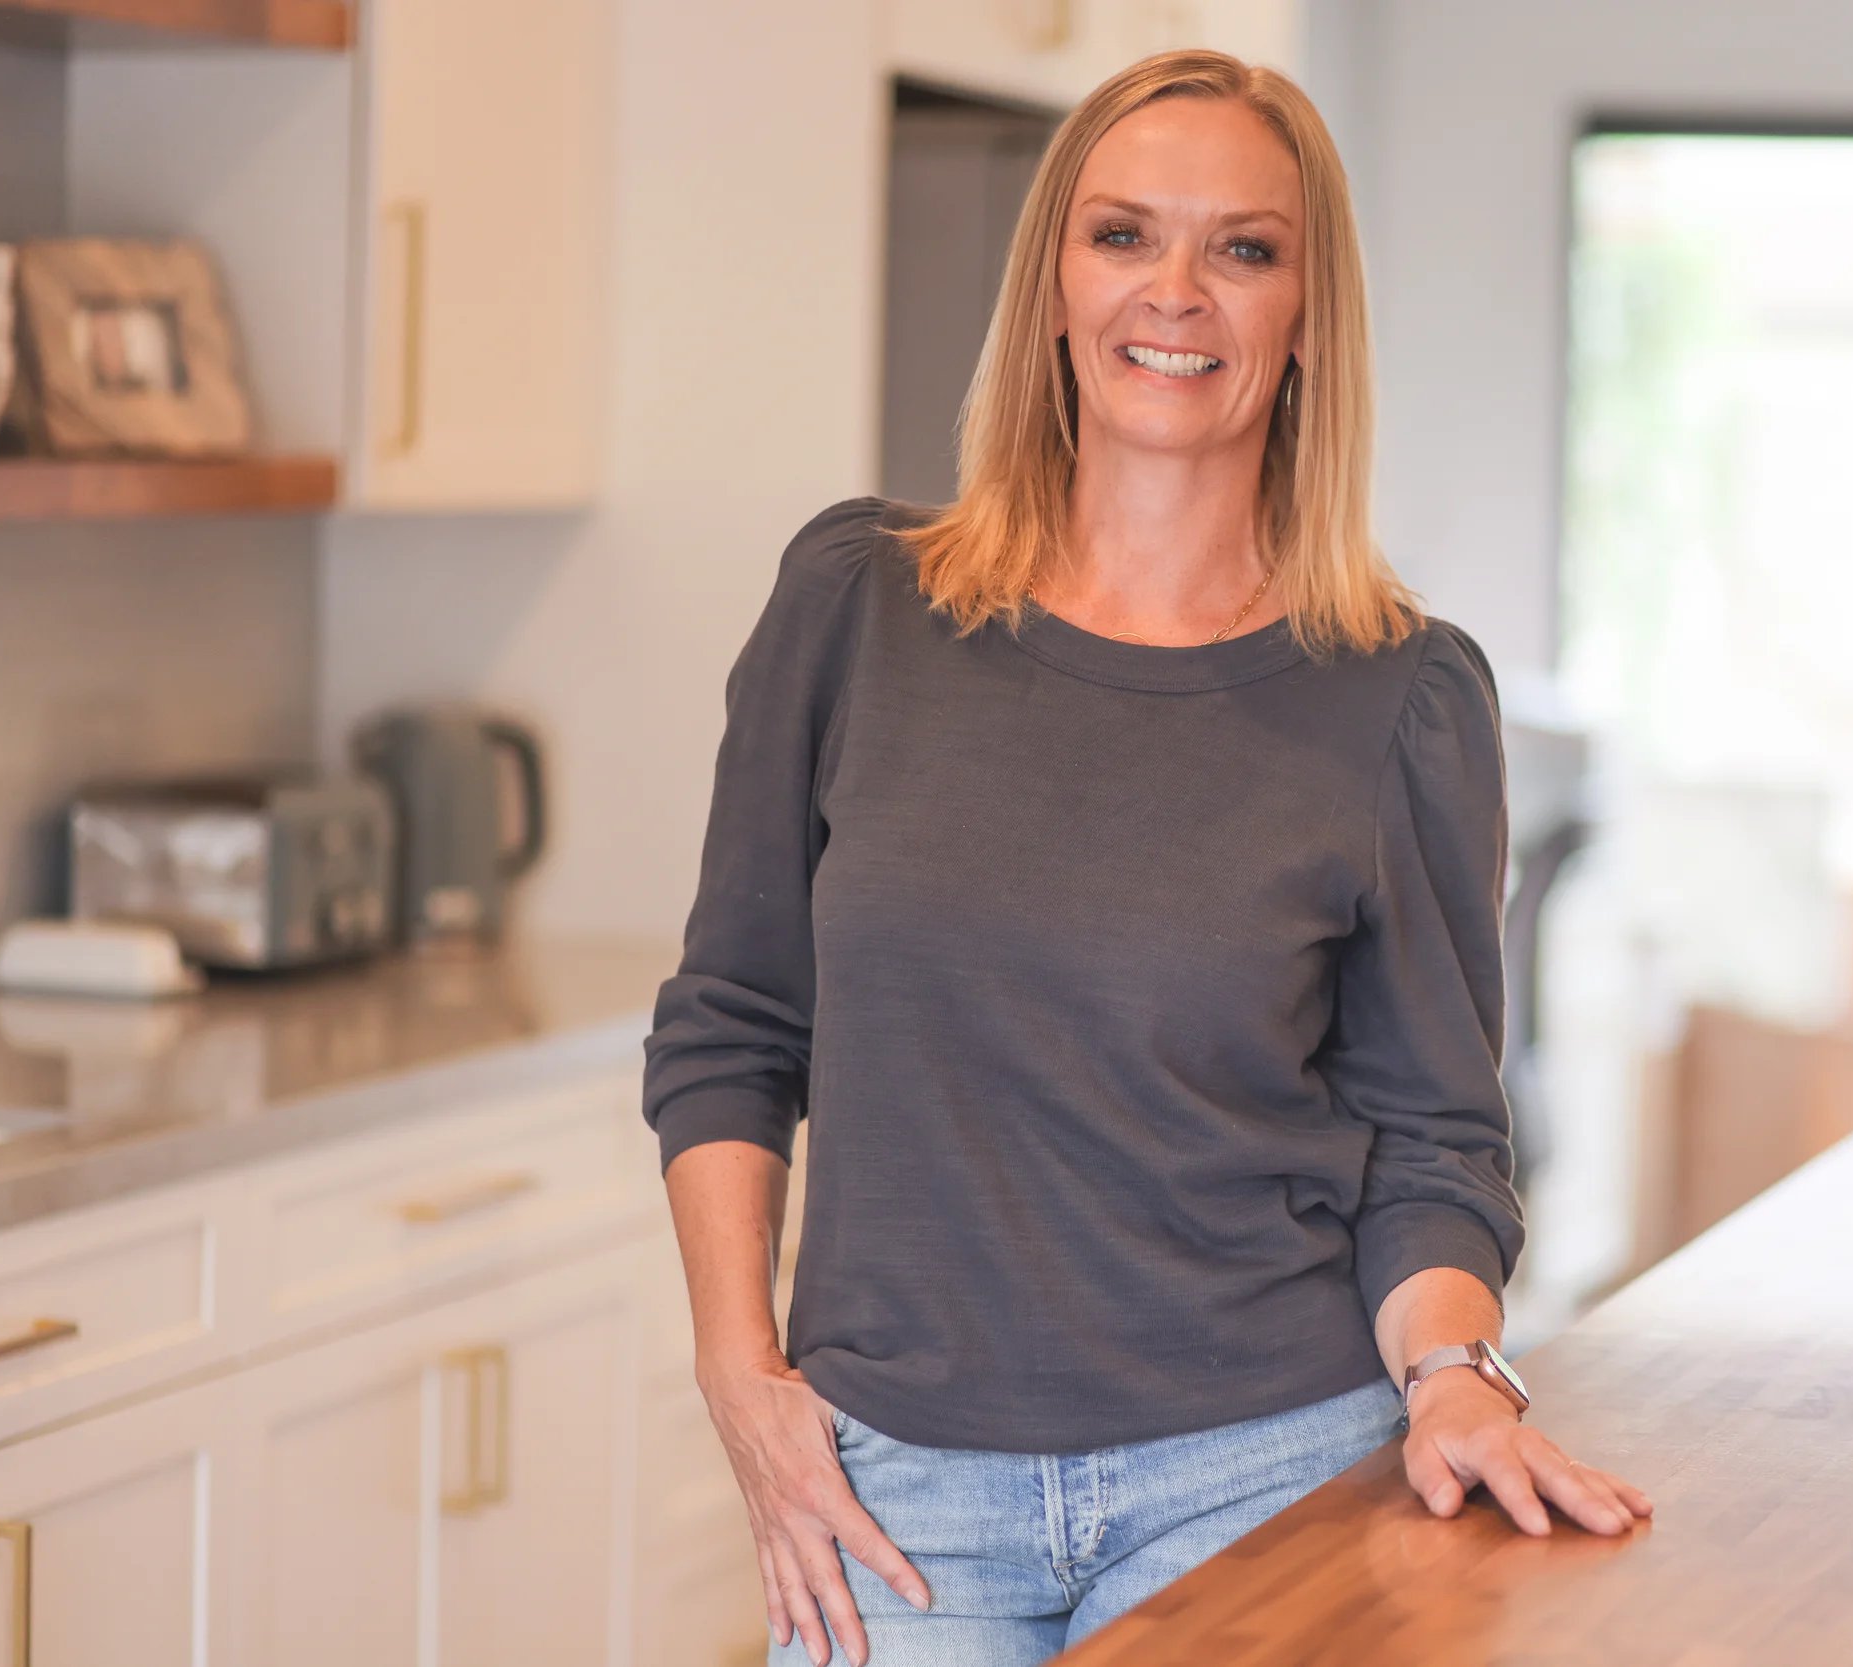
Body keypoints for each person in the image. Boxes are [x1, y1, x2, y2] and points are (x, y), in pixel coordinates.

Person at [642, 46, 1653, 1667]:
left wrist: (1456, 1377)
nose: (1174, 292)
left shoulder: (1398, 693)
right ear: (1054, 280)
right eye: (1123, 236)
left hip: (1261, 1466)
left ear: (1308, 312)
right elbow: (735, 1026)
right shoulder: (858, 608)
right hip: (894, 1488)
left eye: (1243, 250)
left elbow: (1432, 1140)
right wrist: (738, 1373)